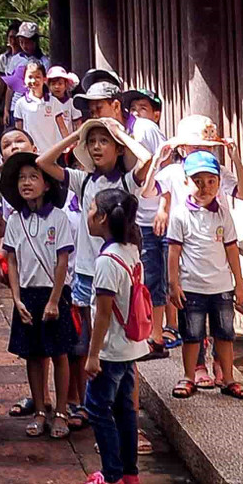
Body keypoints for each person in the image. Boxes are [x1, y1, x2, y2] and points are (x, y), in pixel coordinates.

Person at [38, 113, 152, 422]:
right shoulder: (83, 179)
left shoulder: (126, 181)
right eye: (92, 142)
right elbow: (44, 162)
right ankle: (93, 409)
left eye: (104, 142)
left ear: (117, 148)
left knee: (124, 346)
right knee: (90, 344)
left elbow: (147, 159)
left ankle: (128, 414)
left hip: (118, 269)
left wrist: (120, 134)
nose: (97, 147)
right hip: (87, 272)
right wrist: (75, 137)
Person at [74, 191, 150, 484]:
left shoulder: (107, 261)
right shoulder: (130, 249)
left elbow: (103, 314)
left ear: (103, 217)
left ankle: (111, 478)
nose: (88, 213)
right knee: (124, 408)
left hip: (111, 350)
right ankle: (129, 472)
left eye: (92, 208)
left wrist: (93, 356)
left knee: (97, 408)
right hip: (129, 345)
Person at [0, 155, 77, 439]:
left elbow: (62, 261)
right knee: (32, 354)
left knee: (59, 353)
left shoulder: (59, 218)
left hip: (54, 292)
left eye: (33, 177)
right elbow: (12, 260)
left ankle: (61, 411)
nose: (26, 183)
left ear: (47, 184)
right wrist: (16, 298)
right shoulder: (14, 220)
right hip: (27, 294)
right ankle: (40, 410)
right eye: (22, 178)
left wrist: (54, 300)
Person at [166, 151, 243, 400]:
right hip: (191, 285)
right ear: (186, 182)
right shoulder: (180, 214)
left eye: (211, 181)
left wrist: (239, 283)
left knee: (224, 334)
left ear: (218, 182)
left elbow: (231, 249)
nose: (204, 187)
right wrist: (173, 283)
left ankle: (228, 377)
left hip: (221, 285)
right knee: (192, 335)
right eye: (198, 181)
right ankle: (189, 376)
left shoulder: (223, 213)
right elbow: (174, 251)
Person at [121, 88, 169, 351]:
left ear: (156, 113)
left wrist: (163, 205)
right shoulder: (132, 130)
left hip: (156, 214)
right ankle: (154, 333)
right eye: (134, 108)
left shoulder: (146, 129)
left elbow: (164, 168)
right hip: (143, 213)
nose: (137, 112)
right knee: (151, 274)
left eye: (143, 107)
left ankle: (156, 335)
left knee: (158, 277)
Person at [11, 60, 68, 156]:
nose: (33, 81)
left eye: (37, 77)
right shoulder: (20, 103)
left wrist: (69, 145)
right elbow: (19, 130)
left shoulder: (53, 102)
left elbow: (62, 127)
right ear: (24, 79)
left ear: (44, 79)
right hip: (30, 153)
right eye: (30, 77)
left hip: (51, 152)